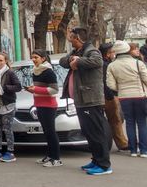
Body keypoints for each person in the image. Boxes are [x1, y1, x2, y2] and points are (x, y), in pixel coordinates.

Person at [60, 27, 111, 175]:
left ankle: (104, 165)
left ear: (78, 38)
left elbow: (96, 61)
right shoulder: (76, 52)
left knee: (96, 132)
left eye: (71, 38)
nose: (70, 40)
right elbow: (64, 61)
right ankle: (96, 160)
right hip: (80, 99)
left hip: (91, 99)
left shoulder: (92, 51)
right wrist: (72, 59)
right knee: (88, 132)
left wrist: (79, 61)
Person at [105, 40, 147, 157]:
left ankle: (133, 150)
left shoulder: (111, 66)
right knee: (142, 123)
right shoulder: (138, 63)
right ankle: (144, 151)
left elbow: (111, 85)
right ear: (127, 50)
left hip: (124, 97)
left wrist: (121, 89)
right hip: (140, 95)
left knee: (129, 123)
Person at [24, 49, 62, 167]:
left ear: (43, 58)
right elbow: (40, 90)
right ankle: (50, 156)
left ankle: (56, 159)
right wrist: (31, 90)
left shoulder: (48, 71)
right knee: (46, 132)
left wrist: (36, 89)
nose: (33, 60)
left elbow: (54, 90)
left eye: (36, 57)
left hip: (49, 106)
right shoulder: (35, 71)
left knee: (51, 132)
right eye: (32, 57)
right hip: (39, 105)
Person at [100, 42, 129, 152]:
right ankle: (122, 143)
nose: (114, 54)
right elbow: (105, 82)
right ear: (107, 54)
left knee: (116, 119)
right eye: (112, 52)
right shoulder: (105, 65)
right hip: (109, 96)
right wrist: (112, 96)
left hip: (108, 95)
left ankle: (121, 142)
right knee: (116, 119)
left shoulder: (107, 64)